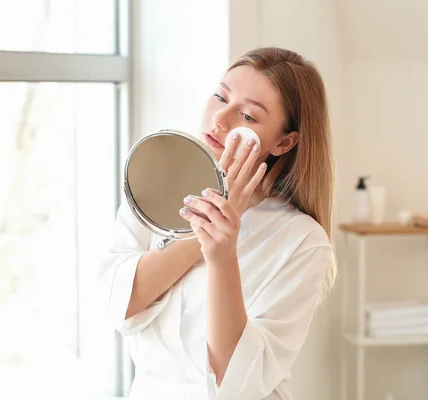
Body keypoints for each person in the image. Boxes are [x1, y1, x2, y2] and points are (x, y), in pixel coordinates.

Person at [98, 47, 337, 399]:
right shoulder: (153, 188)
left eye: (248, 116)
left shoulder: (302, 241)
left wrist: (222, 253)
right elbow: (119, 302)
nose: (220, 119)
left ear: (284, 142)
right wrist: (204, 230)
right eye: (220, 96)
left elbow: (238, 379)